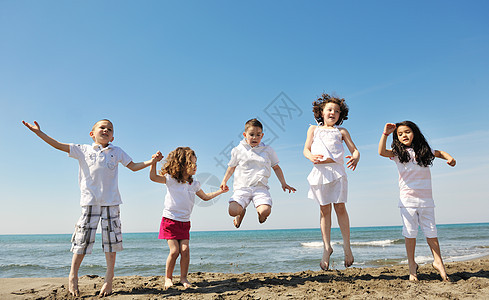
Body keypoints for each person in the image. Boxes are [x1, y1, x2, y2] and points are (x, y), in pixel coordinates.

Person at [22, 119, 159, 297]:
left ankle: (109, 279)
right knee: (82, 241)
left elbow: (133, 166)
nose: (106, 130)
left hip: (111, 203)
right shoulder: (83, 149)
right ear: (92, 134)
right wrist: (38, 133)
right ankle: (73, 276)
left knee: (112, 242)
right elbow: (57, 145)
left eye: (109, 129)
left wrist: (151, 160)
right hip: (90, 203)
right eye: (102, 127)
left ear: (113, 136)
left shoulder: (116, 151)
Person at [378, 121, 455, 281]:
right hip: (407, 201)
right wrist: (385, 134)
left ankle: (438, 262)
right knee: (410, 233)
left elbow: (439, 153)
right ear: (396, 138)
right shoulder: (398, 154)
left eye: (407, 132)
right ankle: (412, 265)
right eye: (400, 134)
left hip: (426, 200)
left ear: (414, 133)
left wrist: (449, 158)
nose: (404, 135)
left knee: (431, 232)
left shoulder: (423, 151)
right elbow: (381, 152)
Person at [150, 147, 228, 290]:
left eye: (196, 163)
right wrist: (154, 162)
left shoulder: (194, 184)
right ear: (181, 165)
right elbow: (153, 177)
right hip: (170, 220)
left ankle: (184, 278)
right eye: (191, 163)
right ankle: (168, 278)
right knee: (174, 251)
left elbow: (205, 198)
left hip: (185, 222)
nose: (195, 166)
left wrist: (220, 191)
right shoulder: (171, 180)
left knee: (185, 250)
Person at [303, 93, 359, 270]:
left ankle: (347, 247)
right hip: (320, 172)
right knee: (324, 210)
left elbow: (355, 150)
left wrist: (356, 157)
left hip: (337, 172)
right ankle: (326, 248)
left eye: (336, 111)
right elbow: (305, 149)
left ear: (340, 115)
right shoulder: (313, 129)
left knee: (340, 208)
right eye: (329, 110)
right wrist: (311, 156)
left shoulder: (341, 132)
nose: (333, 113)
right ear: (321, 112)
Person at [220, 118, 296, 228]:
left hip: (260, 188)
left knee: (265, 210)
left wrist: (283, 183)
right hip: (242, 188)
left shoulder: (268, 150)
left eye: (258, 135)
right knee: (232, 211)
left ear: (262, 135)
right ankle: (240, 213)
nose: (255, 137)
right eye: (251, 134)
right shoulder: (237, 150)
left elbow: (276, 168)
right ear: (245, 134)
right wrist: (224, 181)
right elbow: (231, 168)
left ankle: (261, 216)